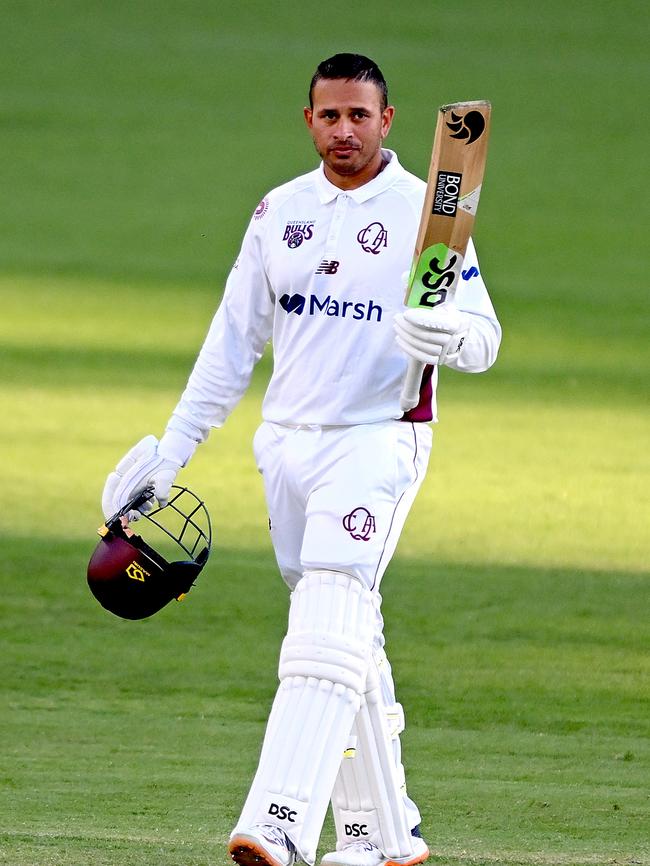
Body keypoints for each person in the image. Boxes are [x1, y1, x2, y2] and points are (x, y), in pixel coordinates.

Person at [101, 53, 501, 866]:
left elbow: (484, 337)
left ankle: (281, 818)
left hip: (376, 439)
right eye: (329, 115)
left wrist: (448, 336)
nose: (344, 130)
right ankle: (381, 833)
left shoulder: (429, 212)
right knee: (342, 632)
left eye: (360, 115)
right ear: (309, 119)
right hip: (285, 445)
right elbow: (230, 347)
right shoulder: (278, 212)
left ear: (387, 122)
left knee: (327, 609)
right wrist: (172, 454)